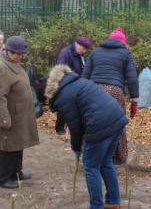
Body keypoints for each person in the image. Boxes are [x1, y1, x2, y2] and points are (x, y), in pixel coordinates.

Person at [45, 64, 128, 209]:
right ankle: (113, 202)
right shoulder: (79, 82)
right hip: (117, 118)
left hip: (101, 125)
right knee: (106, 161)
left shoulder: (63, 96)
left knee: (91, 166)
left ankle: (96, 206)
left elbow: (75, 127)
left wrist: (77, 148)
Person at [82, 27, 139, 168]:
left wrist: (81, 95)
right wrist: (134, 101)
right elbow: (131, 78)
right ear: (123, 42)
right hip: (114, 92)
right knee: (116, 124)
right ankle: (115, 158)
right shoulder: (125, 53)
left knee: (92, 123)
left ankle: (90, 155)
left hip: (93, 91)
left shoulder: (96, 51)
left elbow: (85, 75)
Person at [0, 36, 39, 189]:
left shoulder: (13, 62)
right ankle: (2, 178)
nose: (20, 56)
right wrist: (4, 119)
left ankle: (16, 172)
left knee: (17, 144)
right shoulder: (0, 68)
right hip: (9, 115)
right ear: (8, 51)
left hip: (18, 114)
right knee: (8, 146)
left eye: (22, 53)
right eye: (17, 53)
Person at [55, 36, 92, 135]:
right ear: (77, 45)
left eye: (85, 49)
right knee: (65, 105)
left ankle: (72, 125)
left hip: (76, 83)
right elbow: (59, 69)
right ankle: (59, 127)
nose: (84, 51)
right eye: (83, 48)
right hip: (66, 83)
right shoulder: (66, 53)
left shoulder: (79, 54)